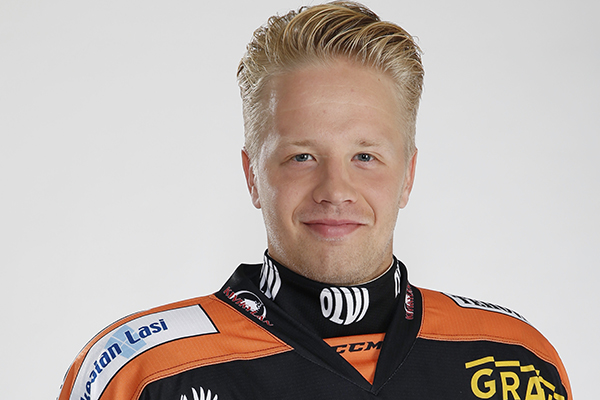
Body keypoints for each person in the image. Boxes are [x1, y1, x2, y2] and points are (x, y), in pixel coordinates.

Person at [58, 2, 572, 399]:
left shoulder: (518, 360)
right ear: (253, 175)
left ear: (408, 176)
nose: (334, 190)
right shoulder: (142, 372)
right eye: (301, 156)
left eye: (365, 156)